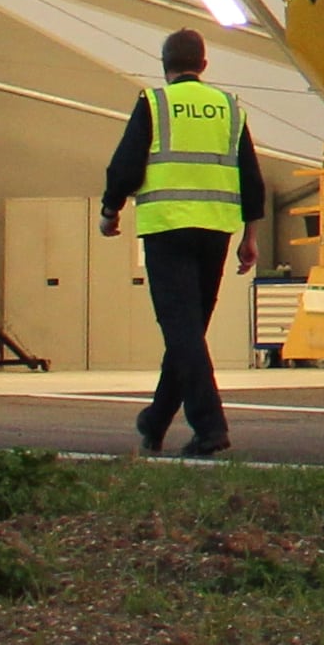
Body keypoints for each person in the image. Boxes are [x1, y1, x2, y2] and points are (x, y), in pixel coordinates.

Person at [102, 27, 264, 457]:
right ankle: (155, 420)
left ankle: (211, 427)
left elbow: (126, 164)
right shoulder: (230, 108)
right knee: (189, 331)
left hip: (167, 228)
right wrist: (251, 236)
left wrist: (110, 209)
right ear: (204, 65)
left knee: (181, 330)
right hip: (216, 229)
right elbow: (250, 175)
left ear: (164, 65)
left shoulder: (154, 103)